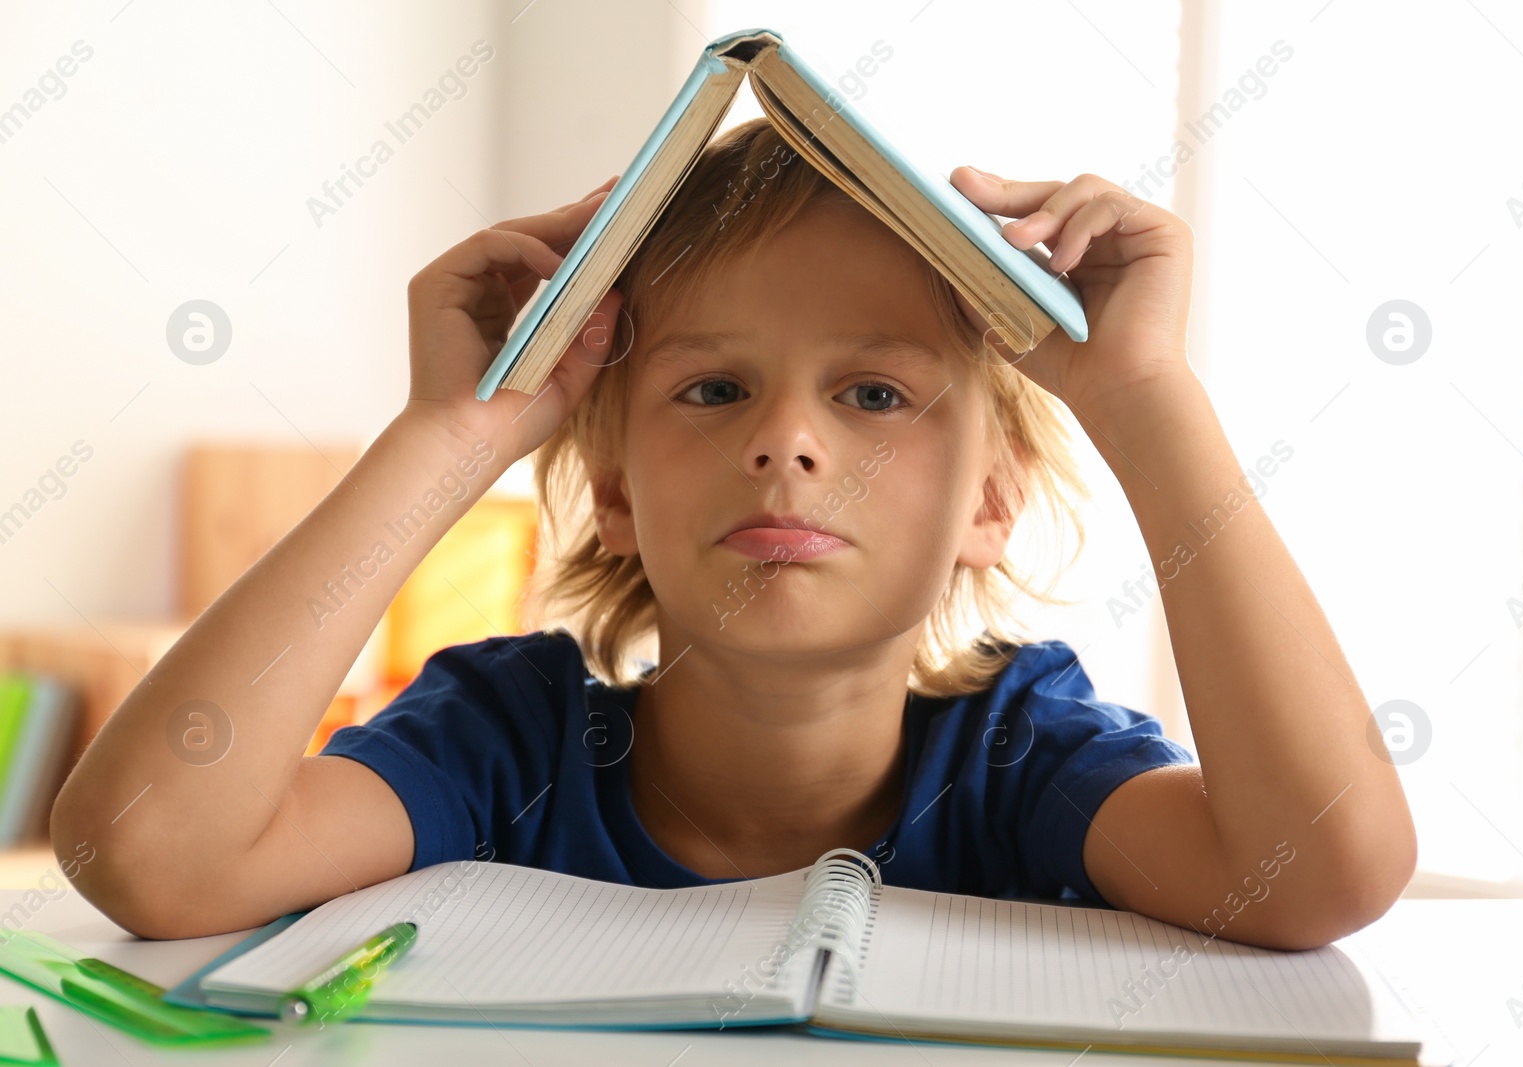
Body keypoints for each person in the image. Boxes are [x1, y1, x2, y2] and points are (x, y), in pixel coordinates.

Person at [51, 116, 1415, 948]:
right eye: (712, 390)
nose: (787, 442)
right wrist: (444, 438)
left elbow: (1326, 875)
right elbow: (150, 857)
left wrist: (1145, 397)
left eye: (874, 393)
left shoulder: (1015, 755)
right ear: (624, 494)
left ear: (989, 505)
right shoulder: (507, 743)